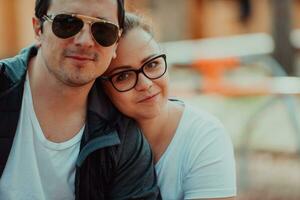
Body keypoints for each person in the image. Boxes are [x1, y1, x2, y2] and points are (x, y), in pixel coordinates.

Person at [0, 0, 161, 199]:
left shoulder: (123, 138)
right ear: (38, 29)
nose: (85, 41)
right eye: (67, 23)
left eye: (103, 29)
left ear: (116, 44)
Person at [101, 13, 237, 200]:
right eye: (123, 76)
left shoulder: (204, 136)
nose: (146, 83)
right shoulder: (95, 142)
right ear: (102, 88)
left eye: (152, 64)